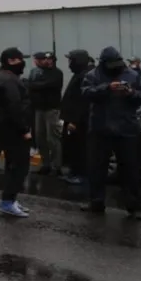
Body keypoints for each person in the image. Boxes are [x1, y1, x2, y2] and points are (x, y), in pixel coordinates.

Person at [81, 46, 141, 219]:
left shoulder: (132, 75)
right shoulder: (92, 75)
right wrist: (107, 88)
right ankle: (96, 202)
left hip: (126, 128)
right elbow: (86, 93)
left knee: (130, 169)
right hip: (100, 128)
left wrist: (130, 92)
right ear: (103, 63)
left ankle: (134, 207)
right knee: (96, 168)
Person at [0, 47, 32, 218]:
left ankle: (11, 199)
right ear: (11, 61)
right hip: (13, 130)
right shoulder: (9, 80)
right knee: (18, 166)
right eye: (19, 59)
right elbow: (14, 107)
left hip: (7, 128)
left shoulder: (5, 77)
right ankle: (8, 202)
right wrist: (24, 130)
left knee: (14, 165)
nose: (22, 63)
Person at [26, 51, 64, 176]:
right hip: (38, 109)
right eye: (44, 59)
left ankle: (56, 166)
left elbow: (48, 85)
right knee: (40, 137)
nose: (46, 61)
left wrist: (36, 86)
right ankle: (45, 163)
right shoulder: (38, 72)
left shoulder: (57, 73)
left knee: (52, 138)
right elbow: (31, 85)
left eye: (49, 59)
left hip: (51, 109)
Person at [60, 49, 91, 185]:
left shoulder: (85, 75)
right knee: (72, 147)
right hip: (72, 119)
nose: (69, 63)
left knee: (80, 148)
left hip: (79, 121)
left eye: (71, 60)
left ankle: (82, 174)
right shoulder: (79, 74)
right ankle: (74, 171)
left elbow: (82, 102)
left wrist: (74, 121)